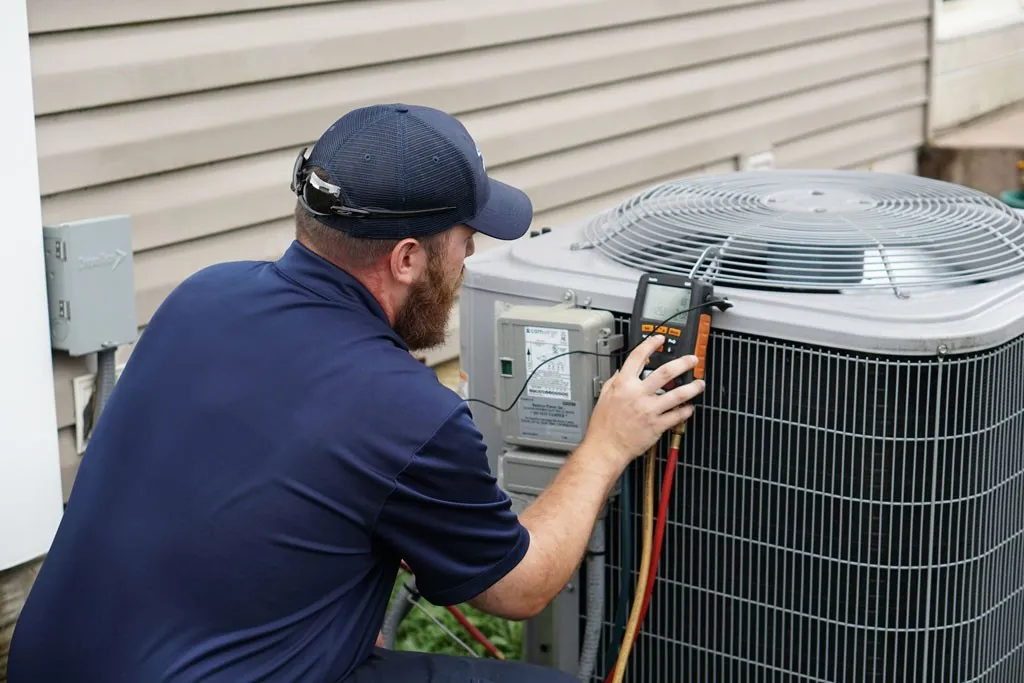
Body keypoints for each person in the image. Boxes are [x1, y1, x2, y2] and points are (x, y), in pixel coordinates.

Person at [7, 103, 704, 683]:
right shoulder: (404, 412)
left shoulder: (200, 295)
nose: (468, 260)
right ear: (406, 258)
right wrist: (606, 443)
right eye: (464, 240)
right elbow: (518, 587)